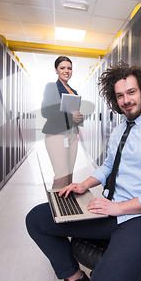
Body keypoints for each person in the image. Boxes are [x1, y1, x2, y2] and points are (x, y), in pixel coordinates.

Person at [26, 61, 141, 281]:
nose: (126, 100)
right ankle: (75, 279)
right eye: (120, 95)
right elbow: (109, 165)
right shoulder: (120, 129)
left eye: (131, 92)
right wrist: (84, 184)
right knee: (37, 219)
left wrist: (119, 208)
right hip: (111, 208)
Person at [41, 56, 83, 189]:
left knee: (69, 176)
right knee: (62, 175)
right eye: (62, 68)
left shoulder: (74, 91)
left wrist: (79, 118)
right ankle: (56, 208)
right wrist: (70, 117)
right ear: (56, 70)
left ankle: (67, 206)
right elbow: (46, 111)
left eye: (69, 68)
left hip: (71, 135)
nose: (66, 71)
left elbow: (73, 114)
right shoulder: (52, 87)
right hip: (57, 135)